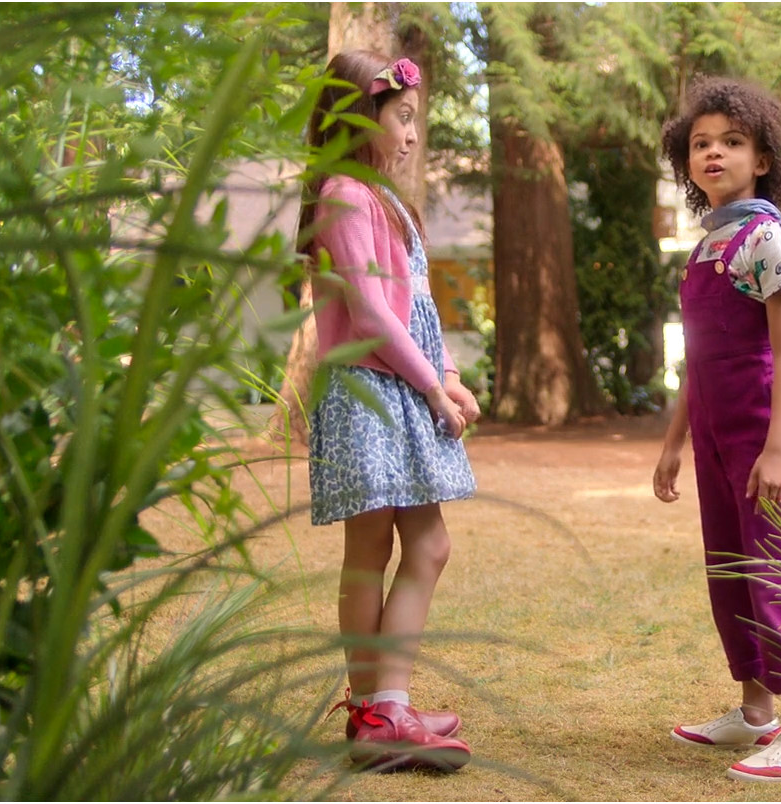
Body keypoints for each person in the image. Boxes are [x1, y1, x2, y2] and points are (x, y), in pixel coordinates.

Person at [301, 50, 480, 772]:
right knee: (381, 549)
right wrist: (431, 387)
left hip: (400, 386)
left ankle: (382, 704)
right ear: (358, 115)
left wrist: (448, 375)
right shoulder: (344, 195)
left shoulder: (381, 201)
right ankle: (381, 711)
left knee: (416, 547)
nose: (410, 134)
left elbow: (414, 309)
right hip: (369, 394)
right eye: (401, 117)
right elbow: (372, 313)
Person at [652, 76, 781, 783]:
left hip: (761, 434)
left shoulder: (767, 242)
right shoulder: (703, 250)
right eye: (701, 143)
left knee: (773, 570)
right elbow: (696, 362)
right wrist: (673, 443)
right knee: (729, 567)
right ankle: (756, 710)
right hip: (712, 437)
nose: (714, 153)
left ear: (762, 159)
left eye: (731, 141)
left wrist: (776, 451)